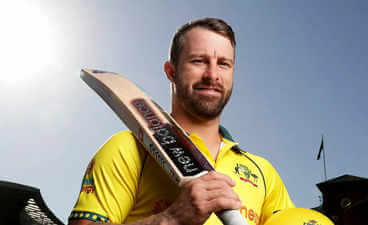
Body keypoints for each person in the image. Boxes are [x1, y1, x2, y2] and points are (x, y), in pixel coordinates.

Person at [68, 17, 295, 225]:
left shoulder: (263, 173)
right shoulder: (127, 149)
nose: (212, 75)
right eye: (199, 61)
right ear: (171, 71)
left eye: (224, 64)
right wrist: (173, 218)